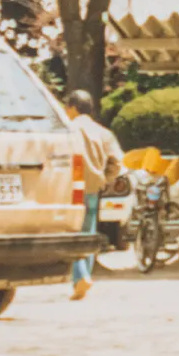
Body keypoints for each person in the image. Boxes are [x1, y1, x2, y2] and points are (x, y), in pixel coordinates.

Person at [66, 90, 123, 301]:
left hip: (69, 188)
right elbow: (117, 162)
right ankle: (84, 277)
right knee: (88, 233)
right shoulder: (103, 132)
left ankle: (81, 277)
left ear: (73, 108)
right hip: (93, 189)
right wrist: (104, 179)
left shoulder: (67, 130)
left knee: (73, 234)